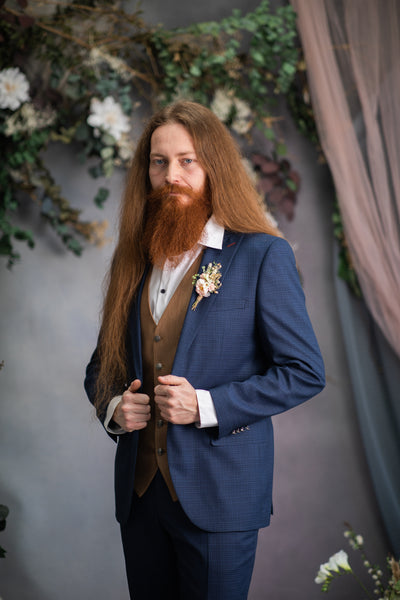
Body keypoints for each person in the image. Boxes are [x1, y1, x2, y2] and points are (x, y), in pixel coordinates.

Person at [84, 100, 325, 600]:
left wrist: (206, 406)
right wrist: (113, 407)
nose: (172, 174)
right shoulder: (135, 258)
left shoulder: (261, 254)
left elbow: (305, 371)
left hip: (221, 497)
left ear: (213, 165)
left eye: (187, 160)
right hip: (141, 497)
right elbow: (102, 366)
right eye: (159, 161)